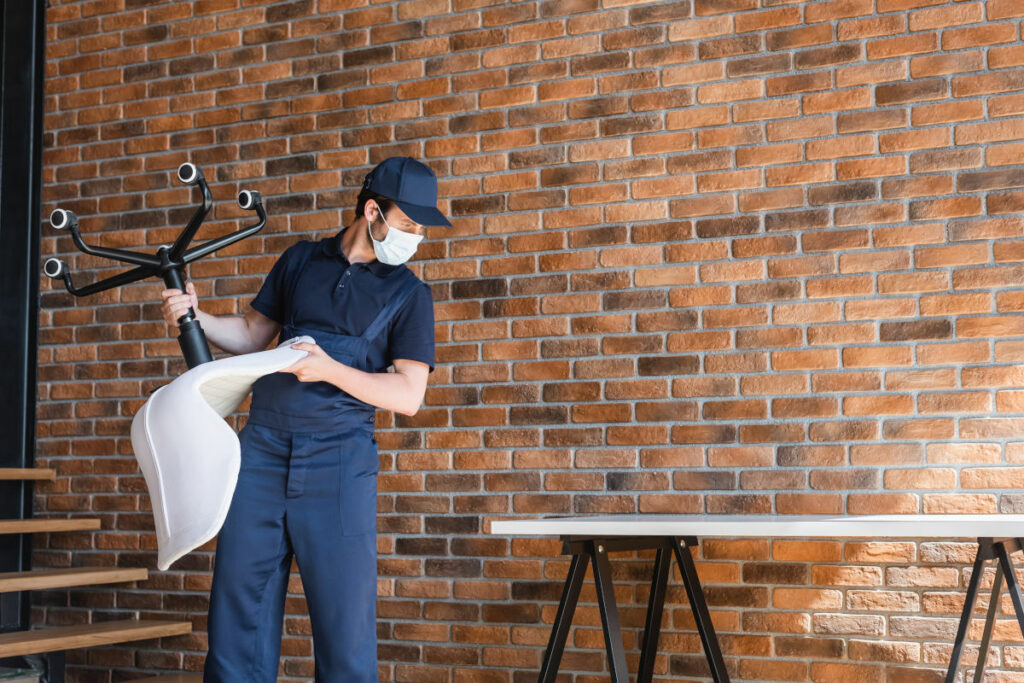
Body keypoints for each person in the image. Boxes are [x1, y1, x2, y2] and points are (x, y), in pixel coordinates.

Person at [159, 157, 450, 682]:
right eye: (408, 224)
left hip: (339, 463)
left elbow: (408, 394)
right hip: (260, 454)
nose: (416, 236)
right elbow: (250, 335)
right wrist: (193, 315)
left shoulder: (409, 294)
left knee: (345, 631)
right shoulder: (300, 262)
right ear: (372, 211)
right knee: (236, 619)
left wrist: (330, 369)